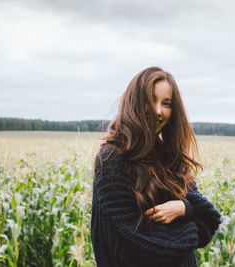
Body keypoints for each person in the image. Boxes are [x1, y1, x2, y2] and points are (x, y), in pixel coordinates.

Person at [91, 66, 221, 267]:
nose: (158, 111)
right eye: (151, 100)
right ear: (134, 102)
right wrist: (192, 225)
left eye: (166, 104)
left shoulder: (168, 159)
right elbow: (151, 246)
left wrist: (182, 208)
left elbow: (210, 219)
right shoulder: (112, 159)